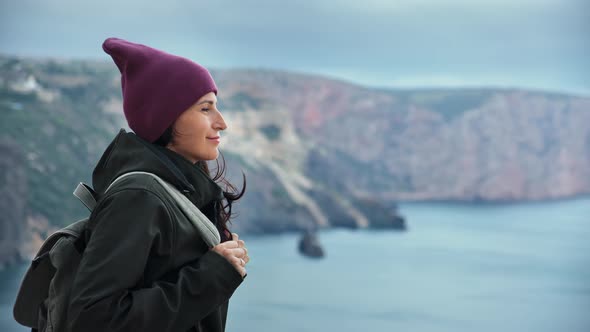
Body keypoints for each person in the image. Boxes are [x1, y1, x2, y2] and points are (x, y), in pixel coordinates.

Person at [66, 37, 249, 332]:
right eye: (206, 109)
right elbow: (92, 320)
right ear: (165, 117)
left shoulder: (179, 192)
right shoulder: (139, 198)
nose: (222, 122)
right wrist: (212, 275)